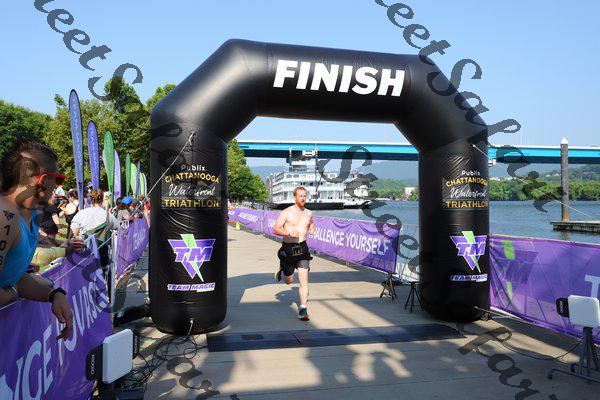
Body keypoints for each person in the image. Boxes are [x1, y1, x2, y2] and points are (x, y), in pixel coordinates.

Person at [0, 138, 84, 340]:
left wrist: (54, 294)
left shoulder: (31, 214)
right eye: (58, 180)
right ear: (43, 180)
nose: (57, 188)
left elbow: (14, 277)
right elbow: (14, 285)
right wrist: (15, 290)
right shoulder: (5, 218)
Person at [273, 186, 315, 321]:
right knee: (289, 281)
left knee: (303, 277)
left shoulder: (308, 213)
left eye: (304, 195)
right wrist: (288, 233)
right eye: (300, 196)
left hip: (302, 249)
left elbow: (311, 223)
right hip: (288, 249)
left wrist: (312, 229)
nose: (303, 198)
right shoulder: (286, 212)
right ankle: (282, 271)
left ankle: (303, 309)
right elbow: (275, 229)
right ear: (295, 197)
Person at [70, 188, 120, 269]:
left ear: (90, 199)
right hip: (102, 254)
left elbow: (74, 232)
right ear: (102, 200)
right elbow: (118, 227)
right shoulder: (108, 215)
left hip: (84, 253)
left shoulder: (81, 213)